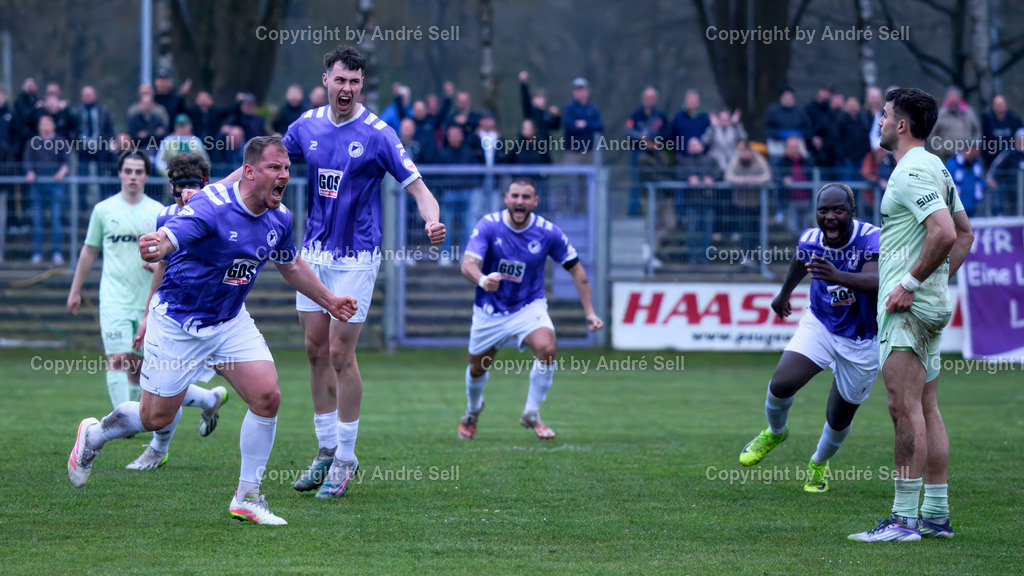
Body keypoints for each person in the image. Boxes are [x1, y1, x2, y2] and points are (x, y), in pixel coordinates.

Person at [67, 136, 359, 526]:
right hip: (179, 324)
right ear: (250, 172)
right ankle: (93, 436)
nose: (284, 175)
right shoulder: (212, 205)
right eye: (275, 168)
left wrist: (329, 299)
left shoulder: (280, 218)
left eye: (287, 168)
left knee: (267, 396)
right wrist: (159, 243)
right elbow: (175, 233)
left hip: (229, 321)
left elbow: (290, 266)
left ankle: (247, 497)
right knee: (155, 418)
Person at [220, 46, 445, 499]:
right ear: (326, 80)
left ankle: (346, 457)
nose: (347, 89)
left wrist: (432, 218)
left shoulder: (379, 134)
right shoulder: (306, 125)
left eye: (355, 82)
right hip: (315, 252)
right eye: (340, 80)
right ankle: (324, 451)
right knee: (314, 349)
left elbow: (417, 186)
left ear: (362, 85)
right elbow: (262, 166)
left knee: (342, 354)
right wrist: (214, 193)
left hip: (358, 254)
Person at [849, 88, 974, 542]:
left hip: (911, 309)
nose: (879, 123)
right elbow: (965, 234)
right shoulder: (935, 165)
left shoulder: (911, 170)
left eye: (883, 116)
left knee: (903, 408)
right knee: (926, 405)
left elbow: (944, 233)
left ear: (901, 125)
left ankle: (903, 522)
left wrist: (911, 284)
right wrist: (935, 282)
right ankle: (936, 516)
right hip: (930, 306)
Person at [739, 184, 880, 492]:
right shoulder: (811, 238)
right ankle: (775, 432)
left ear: (852, 212)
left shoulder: (871, 237)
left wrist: (837, 275)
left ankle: (818, 463)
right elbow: (801, 259)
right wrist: (784, 292)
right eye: (823, 210)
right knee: (781, 384)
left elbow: (875, 280)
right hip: (821, 322)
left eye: (838, 210)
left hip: (863, 339)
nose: (830, 217)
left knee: (838, 418)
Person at [457, 178, 603, 441]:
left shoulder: (548, 232)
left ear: (535, 201)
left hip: (528, 306)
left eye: (526, 197)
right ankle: (472, 411)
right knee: (478, 368)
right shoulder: (489, 225)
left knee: (547, 347)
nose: (520, 202)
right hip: (489, 310)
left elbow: (577, 270)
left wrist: (590, 312)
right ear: (506, 199)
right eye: (515, 196)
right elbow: (468, 263)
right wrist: (482, 279)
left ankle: (532, 413)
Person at [121, 152, 231, 470]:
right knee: (162, 383)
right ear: (171, 187)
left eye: (194, 185)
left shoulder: (223, 214)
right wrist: (145, 316)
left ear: (206, 184)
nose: (188, 192)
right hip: (174, 315)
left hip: (213, 316)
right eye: (181, 185)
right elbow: (162, 268)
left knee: (263, 392)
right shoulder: (165, 218)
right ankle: (162, 445)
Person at [68, 150, 163, 406]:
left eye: (139, 172)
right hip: (113, 298)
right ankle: (123, 416)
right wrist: (75, 291)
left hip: (146, 300)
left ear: (146, 175)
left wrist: (157, 269)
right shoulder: (103, 210)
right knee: (118, 359)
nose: (133, 176)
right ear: (120, 173)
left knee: (137, 365)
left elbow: (168, 259)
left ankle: (133, 418)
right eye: (128, 171)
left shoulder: (159, 212)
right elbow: (89, 250)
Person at [24, 115, 70, 265]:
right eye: (42, 124)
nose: (45, 127)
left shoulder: (61, 141)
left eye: (47, 124)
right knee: (37, 221)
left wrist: (61, 173)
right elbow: (27, 162)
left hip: (55, 186)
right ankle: (37, 253)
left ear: (53, 126)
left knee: (56, 220)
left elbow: (66, 162)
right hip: (37, 186)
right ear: (39, 127)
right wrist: (29, 172)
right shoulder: (32, 142)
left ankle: (56, 252)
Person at [561, 77, 603, 164]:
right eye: (577, 90)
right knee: (569, 176)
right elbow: (568, 125)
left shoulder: (593, 109)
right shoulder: (568, 108)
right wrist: (582, 127)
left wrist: (585, 124)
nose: (580, 93)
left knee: (590, 177)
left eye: (582, 90)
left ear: (588, 91)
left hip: (589, 152)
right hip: (571, 152)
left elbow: (600, 126)